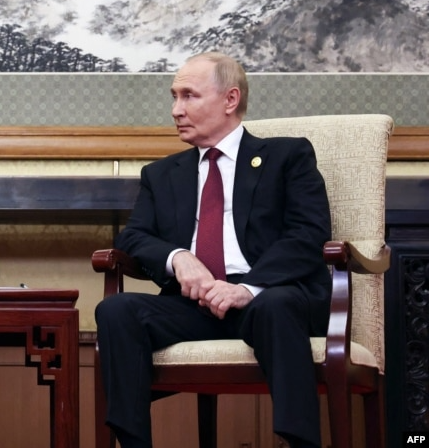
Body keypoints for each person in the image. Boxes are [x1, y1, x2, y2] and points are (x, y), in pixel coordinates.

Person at [94, 52, 331, 448]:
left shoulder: (287, 157)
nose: (176, 110)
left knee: (276, 306)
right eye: (174, 97)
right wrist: (178, 258)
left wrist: (247, 288)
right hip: (195, 305)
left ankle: (301, 442)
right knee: (117, 310)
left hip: (267, 299)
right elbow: (132, 238)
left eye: (189, 95)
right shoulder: (161, 174)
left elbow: (308, 233)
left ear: (230, 99)